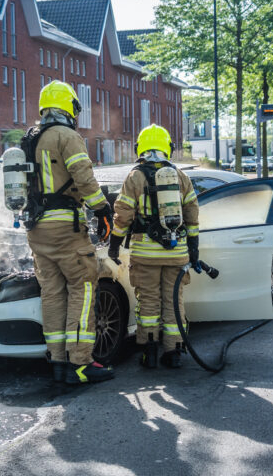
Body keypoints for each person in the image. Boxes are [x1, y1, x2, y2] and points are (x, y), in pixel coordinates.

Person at [23, 80, 115, 384]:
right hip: (65, 228)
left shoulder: (30, 139)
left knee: (51, 293)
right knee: (84, 288)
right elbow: (85, 178)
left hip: (37, 230)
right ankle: (80, 363)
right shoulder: (67, 136)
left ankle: (59, 361)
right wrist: (103, 210)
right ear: (68, 107)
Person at [107, 124, 199, 369]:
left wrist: (114, 244)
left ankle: (149, 352)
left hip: (145, 253)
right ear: (166, 147)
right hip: (176, 253)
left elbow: (123, 214)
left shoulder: (135, 176)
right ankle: (174, 352)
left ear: (141, 148)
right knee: (173, 301)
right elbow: (192, 213)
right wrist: (193, 247)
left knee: (147, 302)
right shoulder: (180, 176)